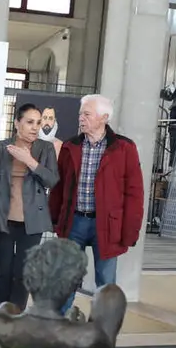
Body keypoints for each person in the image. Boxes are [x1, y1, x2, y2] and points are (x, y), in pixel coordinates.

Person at [49, 94, 145, 313]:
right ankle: (58, 327)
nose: (81, 118)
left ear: (104, 117)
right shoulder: (70, 147)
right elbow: (59, 186)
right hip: (74, 222)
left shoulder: (124, 148)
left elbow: (134, 193)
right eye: (80, 114)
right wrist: (55, 220)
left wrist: (130, 231)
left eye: (87, 114)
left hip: (108, 225)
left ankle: (103, 331)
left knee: (105, 282)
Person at [0, 103, 59, 310]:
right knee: (4, 271)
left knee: (24, 272)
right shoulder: (0, 147)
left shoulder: (45, 148)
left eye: (38, 122)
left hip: (31, 222)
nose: (35, 127)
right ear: (17, 123)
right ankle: (3, 315)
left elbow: (51, 180)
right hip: (3, 219)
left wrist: (29, 160)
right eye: (29, 122)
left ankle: (16, 317)